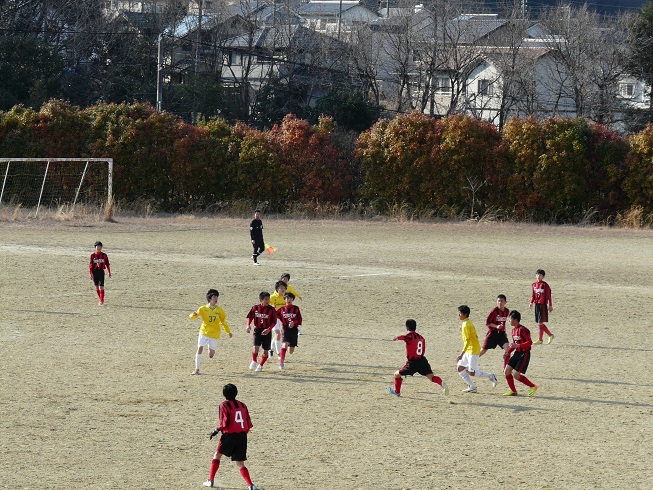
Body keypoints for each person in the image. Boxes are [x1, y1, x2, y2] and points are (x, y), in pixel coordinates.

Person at [203, 383, 258, 490]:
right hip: (242, 436)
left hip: (229, 436)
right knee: (240, 463)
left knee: (217, 455)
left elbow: (224, 423)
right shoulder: (243, 405)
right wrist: (243, 434)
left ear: (224, 394)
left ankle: (210, 480)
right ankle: (250, 485)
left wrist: (216, 430)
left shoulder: (224, 405)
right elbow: (249, 424)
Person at [388, 319, 449, 397]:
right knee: (431, 377)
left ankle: (397, 392)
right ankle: (442, 385)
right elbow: (423, 349)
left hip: (413, 362)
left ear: (407, 328)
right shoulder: (421, 337)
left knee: (396, 374)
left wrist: (396, 337)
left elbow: (404, 337)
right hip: (422, 360)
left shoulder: (409, 336)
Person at [189, 289, 232, 375]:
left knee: (211, 353)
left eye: (217, 297)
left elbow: (223, 322)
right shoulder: (203, 308)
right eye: (214, 297)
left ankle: (210, 350)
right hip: (204, 331)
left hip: (214, 333)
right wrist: (192, 315)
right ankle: (197, 369)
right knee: (200, 347)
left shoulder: (220, 310)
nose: (216, 299)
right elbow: (194, 316)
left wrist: (228, 331)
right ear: (209, 298)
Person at [456, 305, 498, 393]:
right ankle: (472, 386)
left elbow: (467, 341)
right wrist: (462, 330)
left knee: (472, 372)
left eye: (460, 313)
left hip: (472, 351)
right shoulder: (466, 322)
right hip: (469, 350)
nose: (458, 315)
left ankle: (491, 376)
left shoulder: (466, 325)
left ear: (465, 314)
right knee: (460, 368)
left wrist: (461, 354)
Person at [503, 310, 538, 397]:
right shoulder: (513, 331)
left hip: (524, 354)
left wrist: (518, 345)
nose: (509, 321)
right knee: (507, 371)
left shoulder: (523, 330)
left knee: (516, 375)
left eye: (510, 319)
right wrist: (508, 352)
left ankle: (533, 386)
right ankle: (513, 391)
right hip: (517, 353)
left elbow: (530, 342)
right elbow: (514, 345)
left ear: (515, 319)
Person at [246, 292, 278, 372]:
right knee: (255, 348)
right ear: (261, 300)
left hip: (267, 331)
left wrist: (268, 329)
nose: (268, 301)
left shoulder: (272, 309)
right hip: (257, 330)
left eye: (268, 299)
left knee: (265, 351)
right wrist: (248, 325)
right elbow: (250, 317)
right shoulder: (255, 308)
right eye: (266, 299)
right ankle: (254, 360)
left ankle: (260, 365)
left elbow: (274, 322)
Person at [480, 294, 511, 368]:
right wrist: (496, 326)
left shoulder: (507, 311)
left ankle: (505, 367)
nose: (500, 302)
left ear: (505, 302)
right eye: (498, 301)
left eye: (502, 301)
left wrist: (505, 331)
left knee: (508, 349)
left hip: (501, 334)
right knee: (483, 350)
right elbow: (487, 323)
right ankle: (470, 363)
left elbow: (504, 322)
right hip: (492, 333)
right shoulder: (494, 311)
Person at [529, 269, 554, 345]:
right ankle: (544, 338)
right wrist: (531, 302)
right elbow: (533, 295)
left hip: (543, 305)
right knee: (539, 322)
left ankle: (545, 337)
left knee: (540, 322)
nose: (539, 276)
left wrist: (550, 305)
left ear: (543, 276)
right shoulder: (534, 285)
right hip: (537, 305)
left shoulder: (545, 285)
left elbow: (549, 296)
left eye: (540, 275)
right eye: (537, 275)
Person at [277, 292, 302, 369]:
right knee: (284, 345)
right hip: (285, 329)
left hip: (294, 330)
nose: (288, 300)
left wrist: (294, 323)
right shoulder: (281, 309)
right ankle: (281, 363)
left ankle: (288, 348)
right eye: (287, 298)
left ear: (293, 299)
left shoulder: (296, 308)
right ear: (284, 299)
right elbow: (273, 315)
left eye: (290, 298)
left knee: (291, 351)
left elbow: (300, 320)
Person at [267, 280, 286, 358]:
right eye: (281, 287)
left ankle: (270, 349)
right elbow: (265, 306)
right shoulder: (272, 297)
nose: (283, 289)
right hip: (273, 318)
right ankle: (279, 354)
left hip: (281, 319)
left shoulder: (285, 298)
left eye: (284, 288)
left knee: (278, 335)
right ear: (277, 288)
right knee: (278, 334)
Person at [89, 241, 111, 305]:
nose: (98, 248)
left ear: (101, 247)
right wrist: (91, 273)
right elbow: (90, 265)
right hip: (94, 272)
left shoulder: (104, 255)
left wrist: (109, 272)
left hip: (101, 271)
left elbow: (107, 264)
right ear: (95, 247)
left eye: (99, 246)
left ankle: (101, 300)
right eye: (97, 246)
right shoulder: (92, 256)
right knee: (96, 286)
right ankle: (101, 298)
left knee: (101, 286)